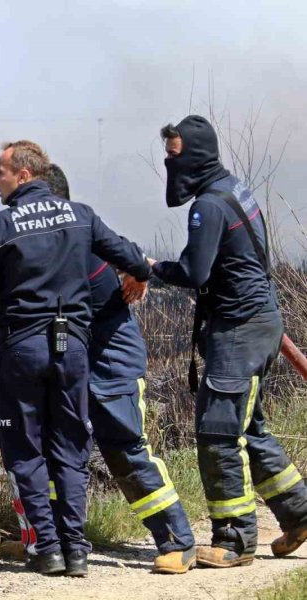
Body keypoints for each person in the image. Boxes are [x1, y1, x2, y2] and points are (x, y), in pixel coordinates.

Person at [0, 141, 151, 576]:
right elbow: (133, 257)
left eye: (0, 173)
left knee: (25, 450)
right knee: (70, 447)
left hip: (23, 350)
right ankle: (76, 551)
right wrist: (138, 274)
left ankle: (46, 550)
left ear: (23, 175)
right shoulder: (81, 215)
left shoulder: (1, 224)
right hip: (72, 349)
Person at [145, 115, 307, 567]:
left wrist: (151, 267)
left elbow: (195, 272)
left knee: (218, 431)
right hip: (257, 324)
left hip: (239, 332)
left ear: (196, 155)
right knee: (247, 428)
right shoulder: (233, 188)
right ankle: (300, 512)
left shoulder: (209, 206)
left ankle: (233, 540)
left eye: (175, 157)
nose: (170, 166)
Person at [46, 164, 196, 574]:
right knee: (56, 450)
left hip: (111, 363)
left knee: (126, 452)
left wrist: (140, 270)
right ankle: (48, 539)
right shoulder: (58, 242)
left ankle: (178, 541)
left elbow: (129, 252)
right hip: (78, 362)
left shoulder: (80, 239)